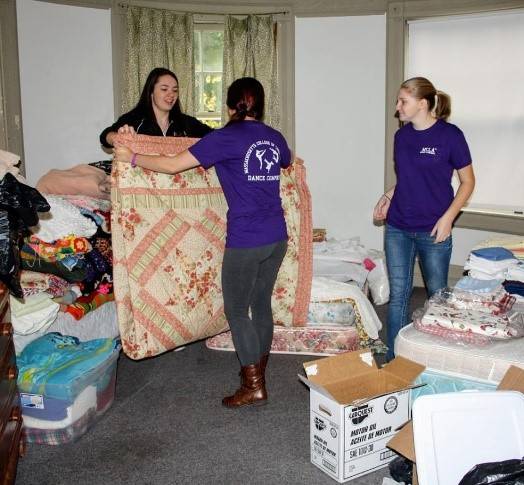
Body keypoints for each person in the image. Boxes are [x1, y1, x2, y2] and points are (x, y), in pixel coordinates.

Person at [114, 77, 297, 408]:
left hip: (246, 241)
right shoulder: (274, 137)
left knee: (237, 310)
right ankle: (257, 373)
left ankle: (254, 384)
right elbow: (288, 158)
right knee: (261, 303)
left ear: (230, 107)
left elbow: (171, 166)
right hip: (277, 237)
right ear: (260, 105)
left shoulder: (224, 138)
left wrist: (133, 158)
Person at [373, 76, 475, 361]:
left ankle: (434, 359)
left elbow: (467, 182)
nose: (397, 107)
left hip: (434, 228)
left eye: (403, 101)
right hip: (398, 227)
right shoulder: (401, 137)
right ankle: (395, 362)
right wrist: (388, 196)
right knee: (399, 298)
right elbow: (408, 179)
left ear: (423, 103)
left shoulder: (451, 136)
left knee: (437, 297)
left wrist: (448, 219)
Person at [100, 67, 212, 148]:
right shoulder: (135, 119)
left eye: (175, 90)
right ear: (151, 92)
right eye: (164, 89)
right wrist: (117, 137)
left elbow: (214, 136)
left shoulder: (186, 122)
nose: (171, 94)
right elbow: (105, 136)